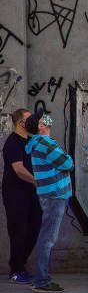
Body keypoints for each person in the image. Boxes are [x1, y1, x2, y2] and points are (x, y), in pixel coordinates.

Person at [24, 110, 73, 293]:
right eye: (44, 118)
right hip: (55, 194)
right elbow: (67, 164)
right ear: (40, 126)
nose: (47, 118)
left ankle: (40, 276)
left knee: (46, 236)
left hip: (48, 193)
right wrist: (68, 158)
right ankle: (41, 280)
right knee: (48, 238)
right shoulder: (46, 143)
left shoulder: (37, 144)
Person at [2, 108, 41, 284]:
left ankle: (20, 264)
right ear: (21, 123)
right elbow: (18, 169)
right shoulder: (12, 143)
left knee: (35, 227)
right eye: (30, 118)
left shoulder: (32, 140)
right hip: (16, 192)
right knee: (18, 230)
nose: (34, 121)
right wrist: (37, 182)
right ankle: (16, 270)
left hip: (32, 192)